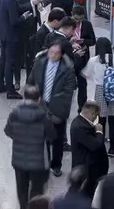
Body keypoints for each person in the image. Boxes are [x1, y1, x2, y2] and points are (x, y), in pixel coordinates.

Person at [28, 42, 76, 176]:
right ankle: (42, 163)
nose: (53, 55)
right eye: (51, 52)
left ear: (61, 55)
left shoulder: (67, 68)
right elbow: (31, 81)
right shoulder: (39, 63)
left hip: (57, 107)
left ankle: (56, 165)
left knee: (57, 138)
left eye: (56, 53)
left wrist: (62, 112)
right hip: (40, 104)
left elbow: (68, 92)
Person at [3, 84, 53, 209]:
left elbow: (8, 131)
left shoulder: (14, 113)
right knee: (36, 191)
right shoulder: (44, 115)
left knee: (22, 191)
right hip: (38, 162)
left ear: (24, 97)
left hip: (19, 160)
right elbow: (51, 136)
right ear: (38, 98)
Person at [82, 37, 114, 152]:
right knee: (112, 120)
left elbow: (85, 73)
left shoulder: (94, 60)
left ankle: (101, 145)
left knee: (101, 120)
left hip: (100, 90)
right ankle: (112, 148)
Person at [0, 0, 28, 98]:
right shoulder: (11, 0)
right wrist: (24, 17)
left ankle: (0, 85)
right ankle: (10, 90)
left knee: (2, 60)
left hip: (2, 33)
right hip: (11, 35)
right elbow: (14, 21)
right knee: (10, 62)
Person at [69, 101, 108, 196]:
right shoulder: (80, 127)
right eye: (96, 115)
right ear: (92, 113)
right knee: (83, 193)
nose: (96, 118)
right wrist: (99, 132)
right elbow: (95, 145)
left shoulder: (82, 122)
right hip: (87, 170)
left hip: (90, 169)